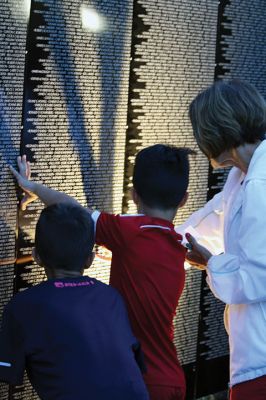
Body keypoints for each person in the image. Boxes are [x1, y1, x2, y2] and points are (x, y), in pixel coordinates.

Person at [10, 144, 194, 400]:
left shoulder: (129, 231)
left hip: (141, 379)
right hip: (172, 377)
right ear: (184, 198)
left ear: (133, 194)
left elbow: (74, 211)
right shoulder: (180, 243)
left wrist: (35, 188)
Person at [0, 203, 149, 400]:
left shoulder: (23, 306)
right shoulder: (111, 297)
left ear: (36, 256)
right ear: (90, 259)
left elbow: (7, 373)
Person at [177, 79, 266, 400]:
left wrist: (209, 262)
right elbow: (213, 219)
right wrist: (153, 242)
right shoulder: (242, 175)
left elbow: (256, 278)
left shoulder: (259, 182)